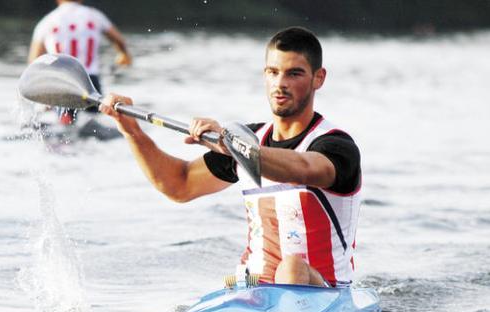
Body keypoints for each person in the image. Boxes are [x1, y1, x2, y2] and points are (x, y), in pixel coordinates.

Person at [100, 27, 363, 288]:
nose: (280, 83)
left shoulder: (335, 146)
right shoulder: (247, 139)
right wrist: (133, 132)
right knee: (225, 282)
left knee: (291, 267)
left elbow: (303, 169)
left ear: (318, 78)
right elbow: (179, 185)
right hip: (253, 284)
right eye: (273, 72)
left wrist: (232, 145)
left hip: (325, 293)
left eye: (294, 74)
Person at [28, 0, 131, 125]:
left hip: (63, 82)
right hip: (90, 82)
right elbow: (119, 40)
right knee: (94, 125)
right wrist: (124, 54)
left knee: (66, 127)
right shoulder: (95, 16)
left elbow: (34, 63)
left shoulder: (47, 22)